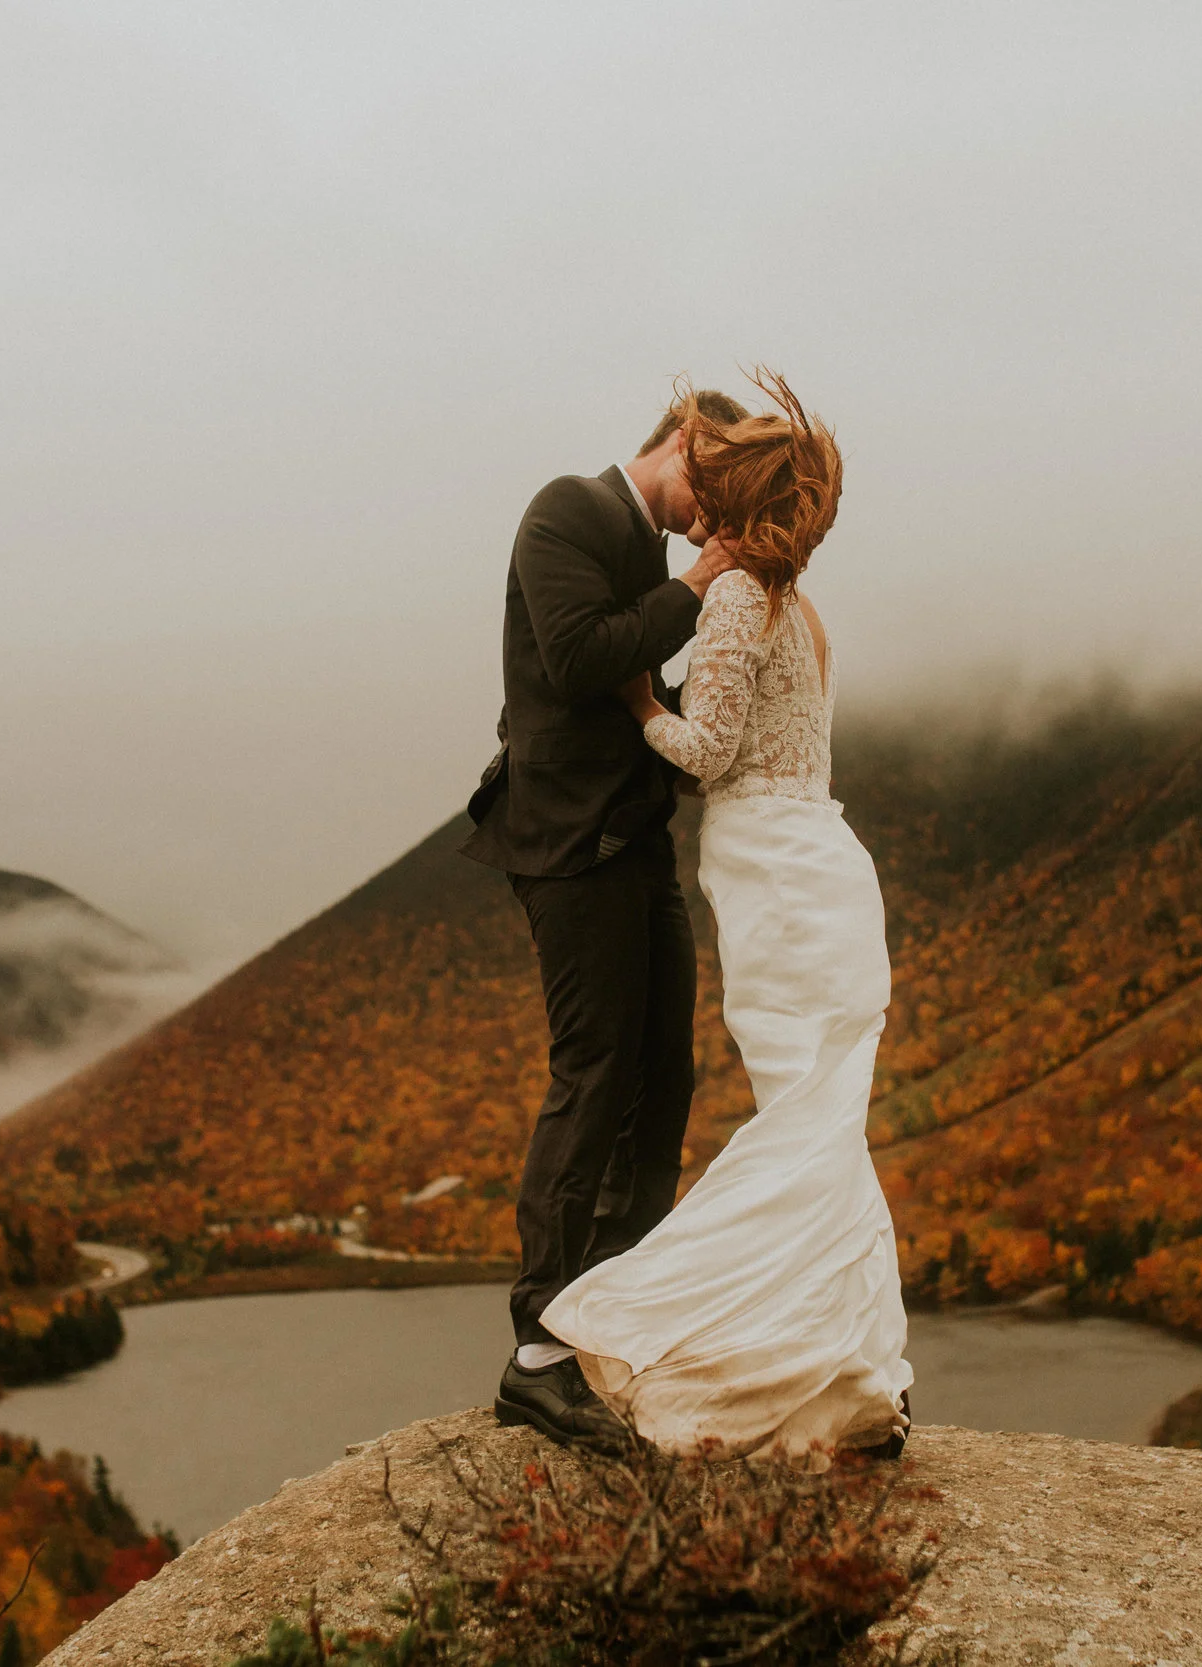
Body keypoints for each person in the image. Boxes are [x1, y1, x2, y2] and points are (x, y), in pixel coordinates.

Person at [540, 371, 913, 1464]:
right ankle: (849, 1368)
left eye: (714, 493)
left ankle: (658, 1330)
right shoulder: (803, 609)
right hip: (825, 865)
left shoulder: (741, 596)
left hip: (772, 876)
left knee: (800, 1123)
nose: (696, 511)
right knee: (821, 1124)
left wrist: (639, 700)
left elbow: (707, 755)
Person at [460, 387, 751, 1449]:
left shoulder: (645, 545)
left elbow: (643, 684)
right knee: (590, 1077)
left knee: (661, 1079)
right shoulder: (568, 511)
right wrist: (699, 583)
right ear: (682, 441)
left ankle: (612, 1317)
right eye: (712, 489)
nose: (713, 519)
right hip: (568, 848)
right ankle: (537, 1350)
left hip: (637, 847)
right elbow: (583, 656)